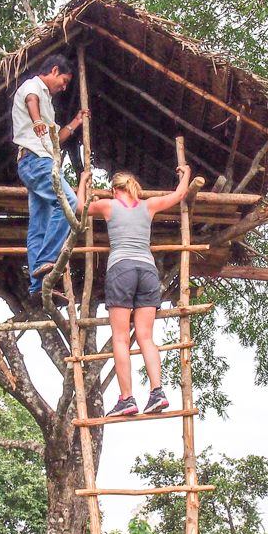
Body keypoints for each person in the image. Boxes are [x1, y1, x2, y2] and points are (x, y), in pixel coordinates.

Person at [78, 164, 192, 417]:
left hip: (122, 269)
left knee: (120, 338)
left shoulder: (109, 206)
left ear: (114, 189)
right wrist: (186, 175)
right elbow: (178, 195)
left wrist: (84, 181)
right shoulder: (148, 205)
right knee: (146, 336)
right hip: (148, 271)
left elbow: (79, 207)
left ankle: (127, 398)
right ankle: (157, 392)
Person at [12, 54, 90, 307]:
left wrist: (77, 122)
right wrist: (36, 120)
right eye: (64, 81)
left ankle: (37, 288)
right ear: (54, 70)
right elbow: (30, 99)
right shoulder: (33, 86)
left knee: (39, 225)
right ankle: (47, 260)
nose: (64, 87)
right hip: (36, 161)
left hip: (33, 162)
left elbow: (57, 136)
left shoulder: (46, 101)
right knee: (68, 201)